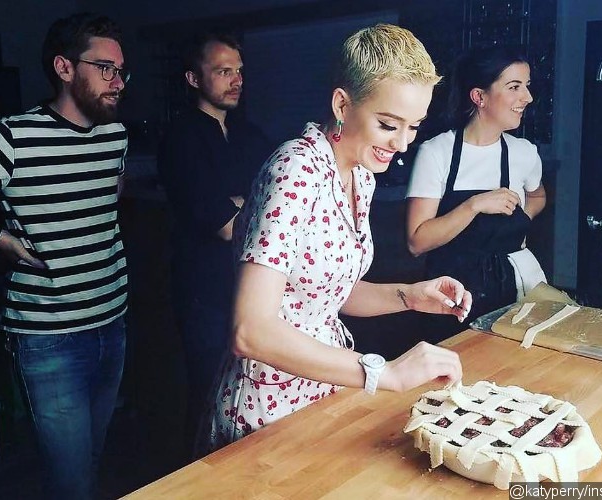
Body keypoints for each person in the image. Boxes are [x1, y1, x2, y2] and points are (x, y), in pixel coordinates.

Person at [199, 24, 471, 454]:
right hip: (266, 408)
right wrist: (384, 372)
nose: (401, 144)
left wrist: (408, 295)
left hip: (323, 389)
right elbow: (250, 330)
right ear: (343, 104)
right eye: (388, 124)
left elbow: (323, 294)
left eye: (413, 127)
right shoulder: (294, 173)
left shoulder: (360, 175)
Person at [0, 13, 129, 499]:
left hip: (113, 322)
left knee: (95, 457)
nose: (118, 82)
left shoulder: (114, 134)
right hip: (48, 338)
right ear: (63, 67)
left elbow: (108, 200)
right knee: (70, 479)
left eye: (122, 71)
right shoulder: (13, 136)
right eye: (105, 68)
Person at [157, 31, 271, 457]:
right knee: (209, 396)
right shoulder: (181, 138)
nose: (235, 80)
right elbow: (225, 223)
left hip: (255, 292)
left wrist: (244, 202)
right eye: (223, 71)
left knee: (252, 399)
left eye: (239, 71)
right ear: (193, 78)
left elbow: (276, 206)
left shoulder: (253, 135)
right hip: (205, 295)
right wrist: (249, 203)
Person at [406, 46, 547, 340]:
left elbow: (537, 197)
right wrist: (474, 205)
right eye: (514, 87)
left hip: (513, 290)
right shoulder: (437, 153)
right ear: (479, 97)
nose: (528, 98)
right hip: (451, 296)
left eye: (527, 86)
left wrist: (517, 223)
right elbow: (417, 242)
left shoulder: (524, 153)